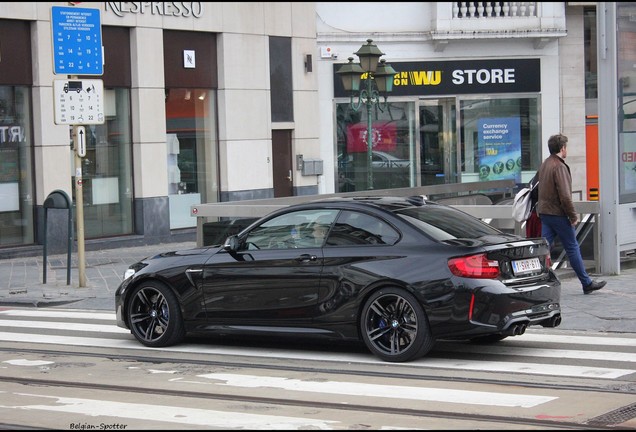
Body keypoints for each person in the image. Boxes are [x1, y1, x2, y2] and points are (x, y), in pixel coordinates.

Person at [536, 133, 606, 294]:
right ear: (562, 148)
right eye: (566, 147)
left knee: (543, 248)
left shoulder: (545, 164)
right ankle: (586, 283)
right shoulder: (559, 166)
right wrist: (573, 216)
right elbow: (566, 196)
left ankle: (536, 281)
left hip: (545, 213)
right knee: (572, 247)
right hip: (558, 214)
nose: (567, 150)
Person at [525, 174, 542, 238]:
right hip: (538, 215)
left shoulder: (533, 180)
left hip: (531, 213)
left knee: (531, 238)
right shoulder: (543, 180)